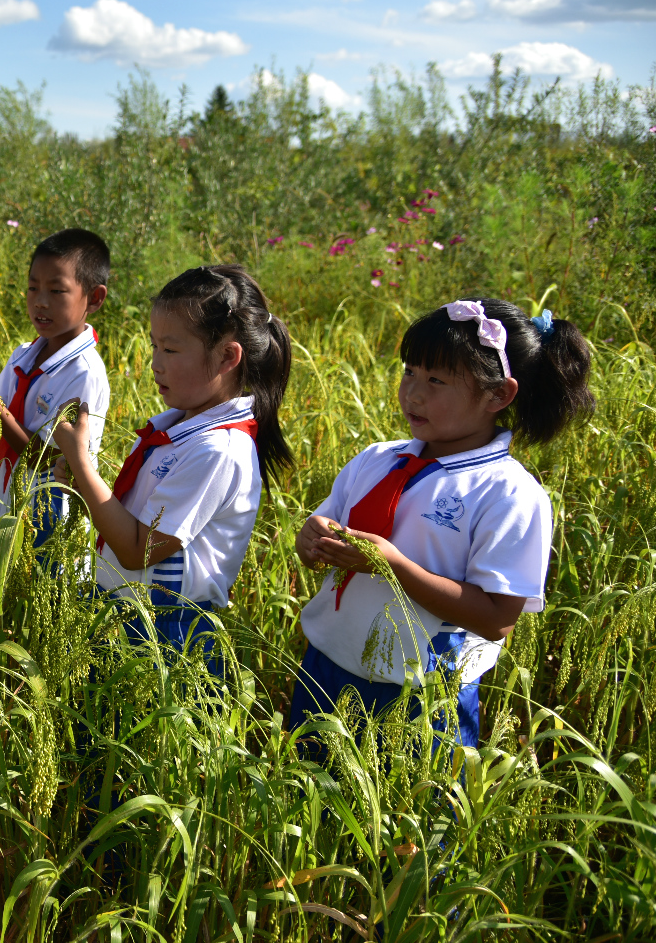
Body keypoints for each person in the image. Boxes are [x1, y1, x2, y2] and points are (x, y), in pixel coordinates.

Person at [291, 299, 594, 749]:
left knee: (406, 814)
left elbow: (496, 618)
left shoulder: (508, 492)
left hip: (422, 696)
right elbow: (324, 524)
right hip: (324, 668)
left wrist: (392, 566)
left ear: (498, 395)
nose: (413, 393)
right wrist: (311, 537)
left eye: (436, 380)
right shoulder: (377, 459)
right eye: (410, 371)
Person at [52, 266, 293, 675]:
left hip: (168, 634)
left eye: (171, 349)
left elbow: (136, 550)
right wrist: (82, 479)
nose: (154, 364)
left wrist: (82, 464)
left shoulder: (219, 450)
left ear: (227, 357)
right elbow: (132, 520)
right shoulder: (174, 429)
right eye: (154, 346)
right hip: (123, 610)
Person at [0, 228, 111, 545]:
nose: (40, 302)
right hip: (9, 501)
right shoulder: (24, 357)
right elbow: (0, 441)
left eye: (57, 291)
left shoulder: (84, 373)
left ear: (94, 298)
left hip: (51, 513)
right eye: (32, 288)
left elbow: (51, 459)